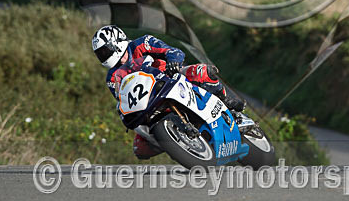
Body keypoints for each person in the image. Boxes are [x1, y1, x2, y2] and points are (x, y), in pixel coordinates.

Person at [91, 25, 245, 159]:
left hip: (171, 77)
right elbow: (122, 97)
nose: (103, 56)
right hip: (150, 102)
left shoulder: (142, 43)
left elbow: (172, 50)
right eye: (100, 54)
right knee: (140, 148)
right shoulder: (112, 76)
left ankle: (226, 100)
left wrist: (173, 61)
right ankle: (177, 142)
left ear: (116, 43)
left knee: (201, 71)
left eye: (105, 51)